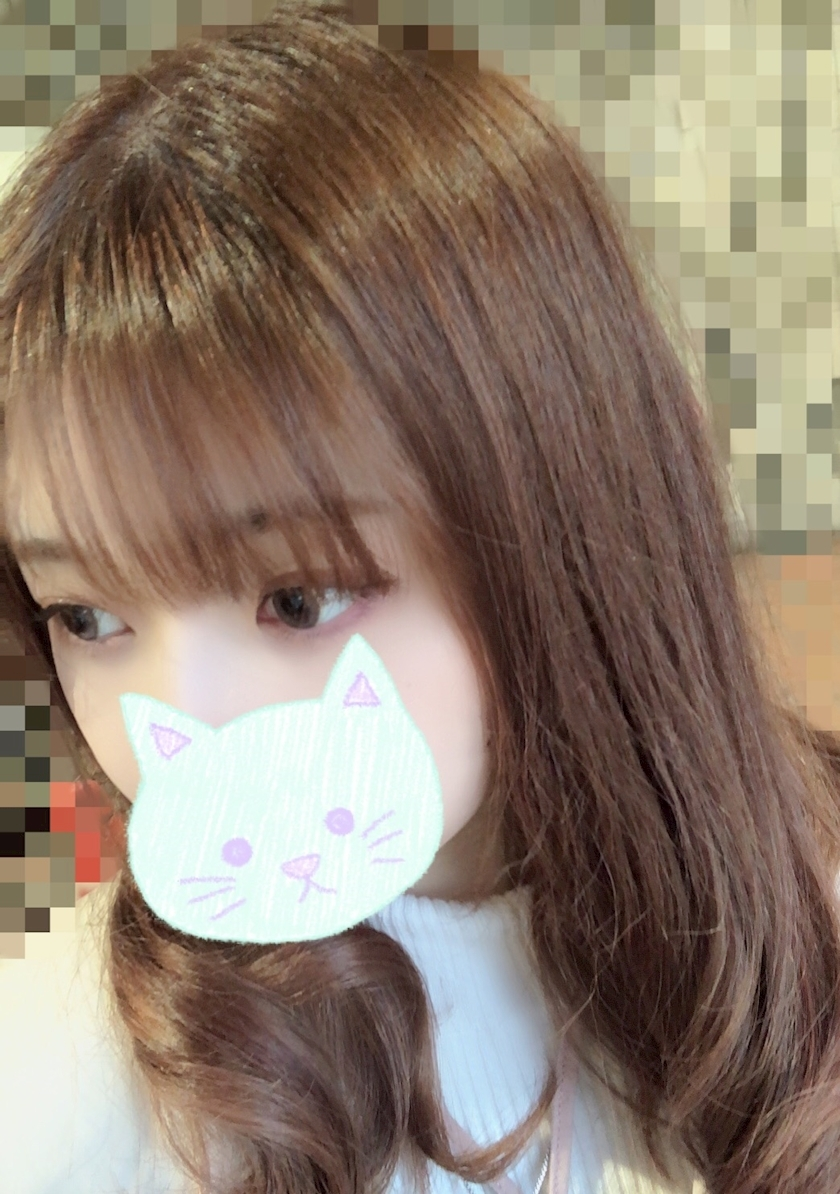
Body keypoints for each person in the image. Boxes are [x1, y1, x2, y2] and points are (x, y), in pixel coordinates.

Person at [2, 3, 840, 1191]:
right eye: (86, 617)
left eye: (299, 599)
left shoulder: (801, 918)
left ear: (558, 525)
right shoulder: (79, 1080)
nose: (181, 719)